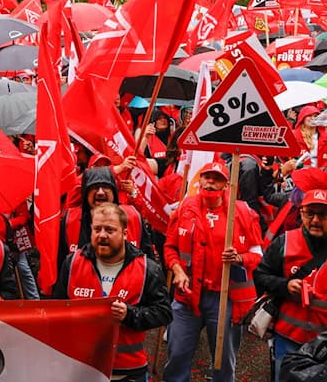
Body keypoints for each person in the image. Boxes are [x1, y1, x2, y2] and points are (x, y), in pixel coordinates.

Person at [162, 160, 263, 382]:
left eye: (217, 179)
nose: (210, 182)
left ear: (226, 186)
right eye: (206, 177)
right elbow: (169, 247)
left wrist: (240, 257)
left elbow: (258, 253)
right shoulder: (184, 208)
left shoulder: (243, 212)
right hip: (187, 297)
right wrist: (177, 270)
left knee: (224, 361)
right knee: (176, 354)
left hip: (224, 299)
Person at [54, 204, 171, 382]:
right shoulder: (71, 264)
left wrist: (129, 314)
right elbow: (57, 311)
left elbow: (164, 313)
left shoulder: (148, 268)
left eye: (109, 230)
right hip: (81, 367)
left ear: (125, 234)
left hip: (128, 372)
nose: (102, 235)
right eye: (97, 229)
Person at [254, 188, 327, 380]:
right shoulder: (284, 242)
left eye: (323, 214)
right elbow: (260, 276)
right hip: (288, 338)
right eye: (309, 213)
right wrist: (285, 285)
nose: (316, 220)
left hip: (324, 344)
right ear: (301, 211)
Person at [59, 165, 152, 271]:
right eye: (94, 187)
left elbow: (148, 264)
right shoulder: (70, 220)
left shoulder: (133, 217)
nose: (100, 192)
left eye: (105, 187)